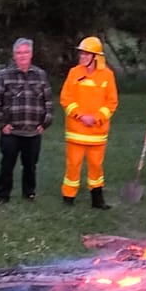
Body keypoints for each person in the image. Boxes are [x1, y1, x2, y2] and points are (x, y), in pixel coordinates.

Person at [0, 38, 51, 203]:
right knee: (7, 164)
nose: (22, 56)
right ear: (14, 55)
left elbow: (48, 101)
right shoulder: (4, 75)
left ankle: (29, 193)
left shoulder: (40, 75)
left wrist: (45, 123)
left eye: (26, 52)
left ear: (31, 54)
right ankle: (3, 195)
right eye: (19, 53)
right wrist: (1, 124)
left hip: (33, 131)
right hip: (11, 131)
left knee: (30, 165)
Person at [59, 36, 119, 209]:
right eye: (81, 54)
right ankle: (68, 198)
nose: (82, 57)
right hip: (76, 131)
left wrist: (97, 117)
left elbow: (112, 102)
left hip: (97, 132)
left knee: (96, 167)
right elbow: (65, 98)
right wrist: (80, 115)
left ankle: (97, 200)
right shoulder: (74, 73)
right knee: (73, 165)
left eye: (86, 54)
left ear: (96, 57)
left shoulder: (107, 76)